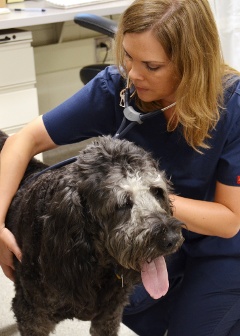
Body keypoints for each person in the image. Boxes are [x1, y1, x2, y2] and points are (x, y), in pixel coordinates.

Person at [1, 0, 240, 334]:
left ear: (192, 64)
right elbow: (22, 141)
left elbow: (229, 221)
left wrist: (145, 199)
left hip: (218, 250)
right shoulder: (119, 88)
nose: (132, 73)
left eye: (151, 65)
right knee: (130, 310)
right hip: (146, 241)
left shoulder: (234, 107)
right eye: (128, 56)